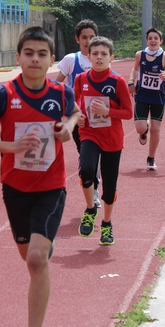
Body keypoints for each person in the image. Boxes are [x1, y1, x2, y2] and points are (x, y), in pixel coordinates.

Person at [0, 26, 79, 327]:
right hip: (14, 188)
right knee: (28, 257)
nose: (35, 59)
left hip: (51, 186)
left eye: (42, 54)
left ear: (51, 59)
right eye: (28, 53)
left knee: (36, 260)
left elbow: (73, 115)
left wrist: (68, 129)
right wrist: (9, 146)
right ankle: (40, 249)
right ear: (18, 57)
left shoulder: (61, 93)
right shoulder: (4, 94)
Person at [74, 36, 133, 246]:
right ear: (88, 56)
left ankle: (107, 223)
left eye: (104, 54)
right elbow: (75, 101)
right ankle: (90, 209)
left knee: (110, 187)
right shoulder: (81, 79)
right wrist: (77, 116)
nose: (99, 57)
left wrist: (108, 111)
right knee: (86, 170)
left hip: (112, 138)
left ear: (111, 58)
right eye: (95, 54)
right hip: (90, 134)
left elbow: (128, 112)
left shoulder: (117, 82)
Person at [54, 19, 101, 208]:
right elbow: (57, 86)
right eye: (84, 37)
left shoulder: (100, 58)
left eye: (91, 37)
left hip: (98, 117)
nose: (88, 41)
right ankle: (93, 189)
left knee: (96, 155)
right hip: (78, 117)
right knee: (85, 153)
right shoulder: (71, 60)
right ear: (77, 39)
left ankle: (94, 188)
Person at [128, 28, 165, 171]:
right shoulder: (140, 55)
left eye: (156, 38)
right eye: (150, 38)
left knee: (156, 130)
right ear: (147, 40)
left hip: (158, 98)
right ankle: (145, 129)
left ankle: (151, 158)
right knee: (140, 128)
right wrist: (131, 81)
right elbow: (135, 70)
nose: (153, 41)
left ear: (161, 41)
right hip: (142, 95)